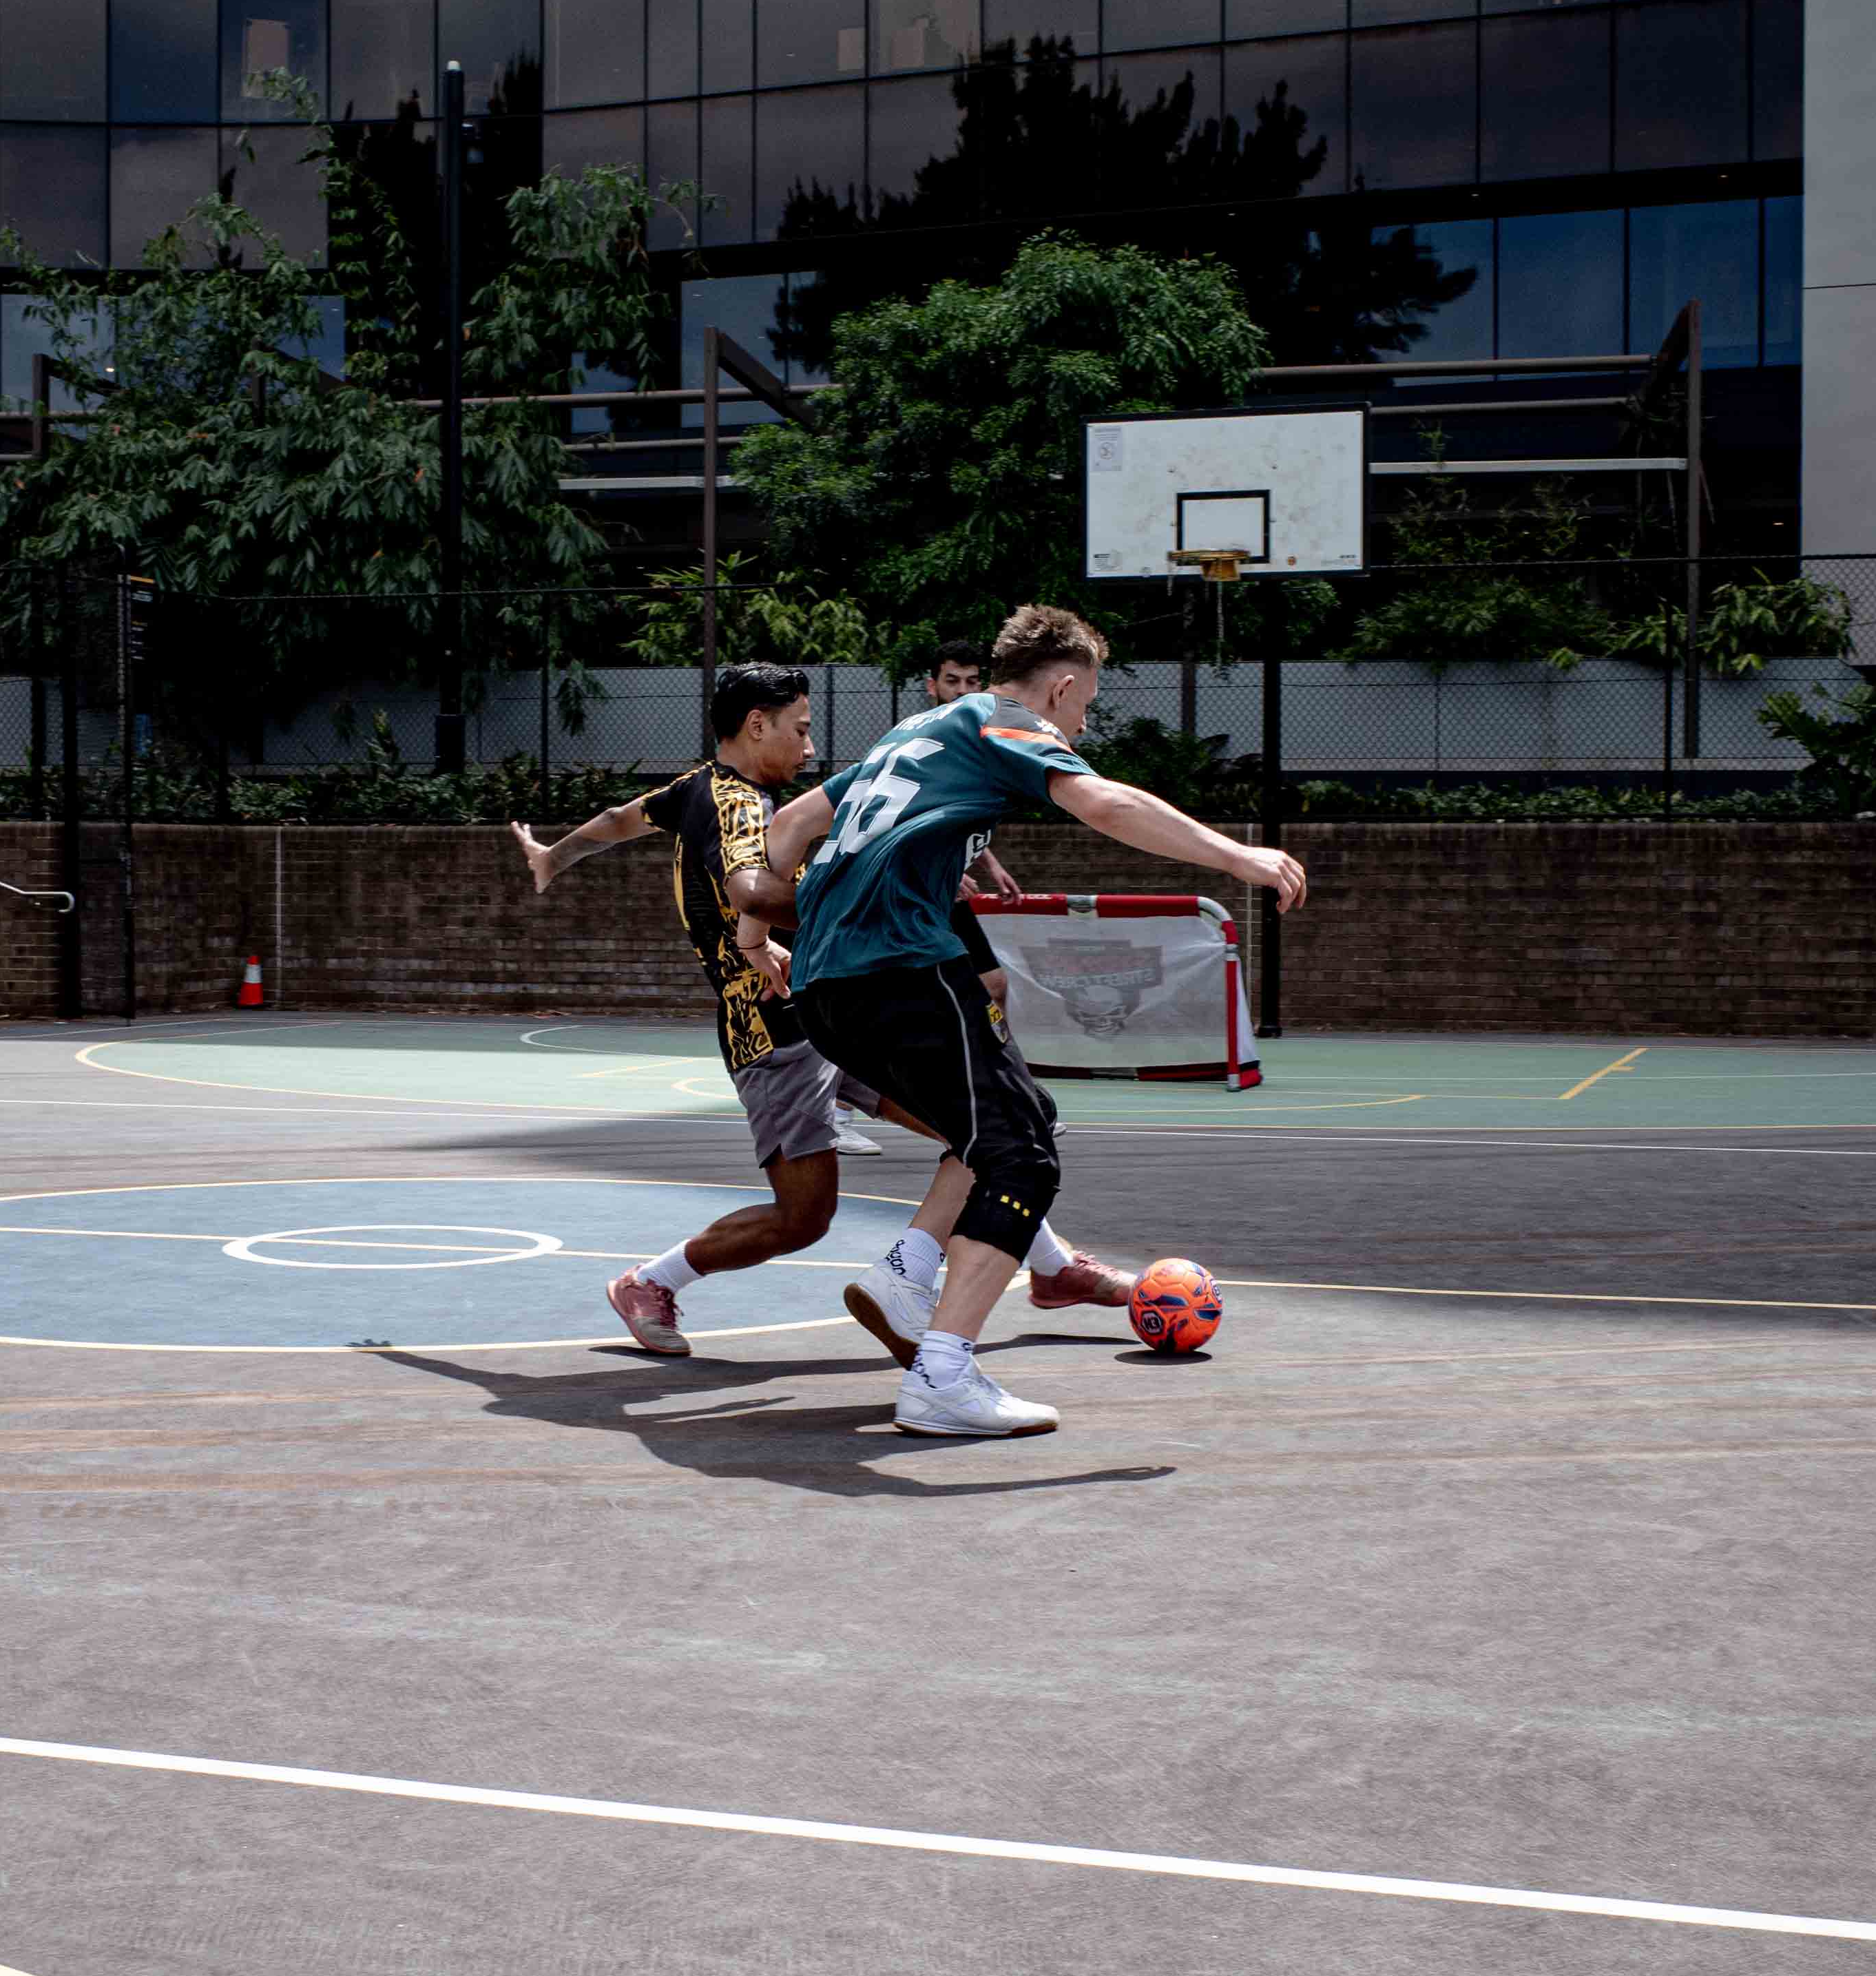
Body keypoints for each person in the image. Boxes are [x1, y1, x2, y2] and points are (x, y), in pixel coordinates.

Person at [770, 603, 1304, 1437]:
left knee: (1006, 1127)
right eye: (1084, 707)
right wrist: (1239, 857)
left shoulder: (916, 728)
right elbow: (1106, 805)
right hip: (901, 969)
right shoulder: (1004, 718)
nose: (1081, 725)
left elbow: (791, 823)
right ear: (1059, 686)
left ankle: (905, 1273)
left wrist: (777, 914)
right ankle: (943, 1374)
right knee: (1023, 1157)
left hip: (826, 988)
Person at [506, 666, 915, 1351]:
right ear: (758, 724)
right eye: (801, 728)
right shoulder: (738, 806)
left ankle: (1054, 1268)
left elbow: (618, 821)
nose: (811, 748)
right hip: (775, 1025)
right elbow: (750, 892)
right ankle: (652, 1281)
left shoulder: (691, 787)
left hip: (831, 1008)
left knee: (977, 1130)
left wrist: (555, 855)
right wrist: (866, 905)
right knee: (803, 1218)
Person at [924, 637, 1030, 1010]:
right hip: (912, 890)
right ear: (932, 686)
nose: (963, 691)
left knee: (993, 985)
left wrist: (991, 863)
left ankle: (984, 1067)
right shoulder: (920, 744)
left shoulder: (975, 742)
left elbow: (963, 817)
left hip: (941, 886)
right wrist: (946, 873)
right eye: (953, 681)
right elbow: (893, 824)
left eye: (971, 682)